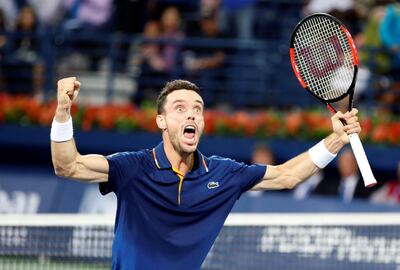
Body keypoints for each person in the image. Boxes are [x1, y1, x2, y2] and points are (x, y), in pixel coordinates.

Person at [51, 77, 361, 269]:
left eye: (197, 109)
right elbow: (68, 165)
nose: (191, 114)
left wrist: (335, 140)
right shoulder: (133, 167)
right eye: (180, 108)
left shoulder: (223, 174)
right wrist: (63, 112)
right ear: (161, 121)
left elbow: (287, 176)